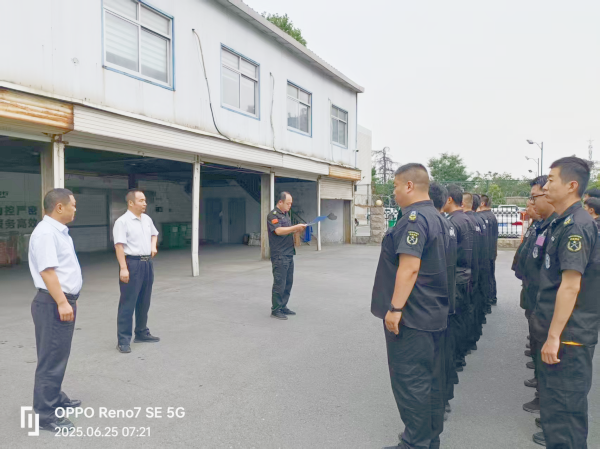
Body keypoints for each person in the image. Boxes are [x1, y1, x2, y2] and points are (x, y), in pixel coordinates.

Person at [371, 164, 449, 449]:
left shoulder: (414, 219)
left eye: (394, 186)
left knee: (410, 381)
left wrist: (395, 308)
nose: (393, 192)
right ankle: (429, 438)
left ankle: (415, 442)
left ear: (408, 186)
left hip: (412, 317)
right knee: (430, 380)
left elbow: (410, 267)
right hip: (433, 314)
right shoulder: (438, 217)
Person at [531, 157, 600, 448]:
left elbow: (571, 286)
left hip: (568, 338)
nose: (546, 186)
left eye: (551, 180)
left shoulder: (576, 226)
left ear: (571, 185)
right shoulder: (563, 222)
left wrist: (553, 336)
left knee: (565, 416)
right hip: (559, 334)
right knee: (554, 414)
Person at [28, 189, 82, 431]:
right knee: (51, 359)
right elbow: (47, 271)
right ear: (59, 207)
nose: (75, 209)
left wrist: (70, 299)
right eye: (73, 205)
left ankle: (55, 397)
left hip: (60, 300)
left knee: (58, 355)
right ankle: (45, 415)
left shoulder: (59, 232)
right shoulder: (46, 233)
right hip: (52, 303)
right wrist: (62, 302)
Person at [517, 176, 557, 419]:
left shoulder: (558, 226)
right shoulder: (543, 225)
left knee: (548, 357)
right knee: (537, 345)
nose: (531, 203)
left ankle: (546, 403)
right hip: (534, 295)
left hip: (545, 303)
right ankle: (542, 391)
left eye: (534, 197)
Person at [113, 189, 160, 353]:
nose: (145, 203)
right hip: (132, 263)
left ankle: (141, 332)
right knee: (128, 302)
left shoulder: (147, 219)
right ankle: (123, 340)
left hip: (147, 264)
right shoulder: (122, 222)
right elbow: (119, 246)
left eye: (145, 200)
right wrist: (123, 268)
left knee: (144, 300)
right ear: (131, 203)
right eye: (141, 200)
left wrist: (153, 246)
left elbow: (154, 234)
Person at [429, 182, 458, 422]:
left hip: (432, 305)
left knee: (434, 359)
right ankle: (444, 399)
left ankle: (438, 405)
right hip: (446, 300)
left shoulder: (431, 225)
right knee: (443, 354)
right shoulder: (446, 224)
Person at [443, 185, 474, 372]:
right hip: (466, 274)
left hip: (457, 276)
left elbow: (448, 254)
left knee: (454, 321)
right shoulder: (466, 219)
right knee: (462, 317)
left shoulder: (453, 222)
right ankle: (461, 355)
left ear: (449, 199)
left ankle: (456, 359)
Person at [267, 192, 306, 320]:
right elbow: (278, 231)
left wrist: (297, 230)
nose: (290, 206)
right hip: (279, 254)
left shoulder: (286, 215)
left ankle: (283, 306)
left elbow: (288, 231)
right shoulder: (273, 215)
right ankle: (276, 309)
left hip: (289, 253)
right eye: (288, 203)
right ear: (280, 202)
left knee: (288, 282)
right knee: (279, 283)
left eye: (291, 204)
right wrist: (295, 227)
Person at [478, 195, 498, 308]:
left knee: (486, 276)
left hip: (486, 251)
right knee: (491, 274)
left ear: (482, 203)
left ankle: (489, 298)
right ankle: (492, 296)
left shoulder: (483, 217)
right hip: (491, 250)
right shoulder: (492, 216)